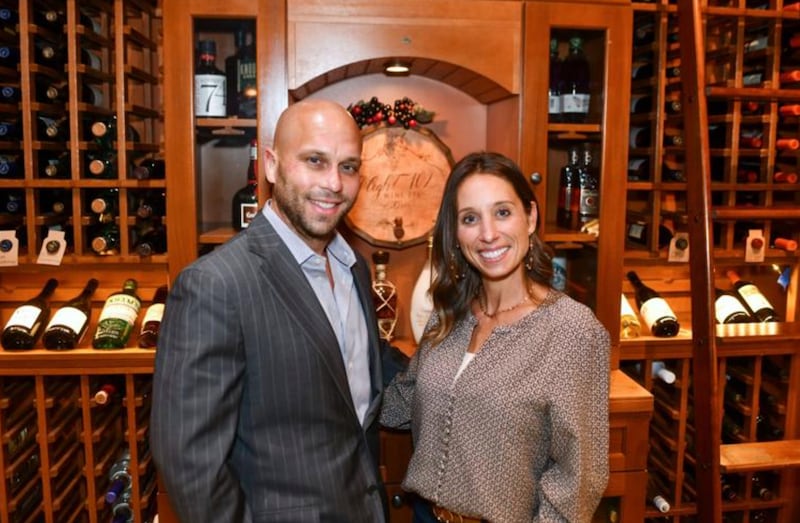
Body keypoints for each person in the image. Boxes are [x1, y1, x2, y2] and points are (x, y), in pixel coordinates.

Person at [150, 99, 393, 522]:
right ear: (272, 165)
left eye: (349, 167)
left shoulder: (354, 268)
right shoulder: (216, 285)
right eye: (315, 161)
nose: (334, 183)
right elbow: (192, 467)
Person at [381, 151, 610, 523]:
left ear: (530, 217)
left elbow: (579, 481)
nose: (488, 234)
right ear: (455, 233)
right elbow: (401, 402)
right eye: (470, 219)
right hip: (425, 516)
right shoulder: (449, 314)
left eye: (503, 212)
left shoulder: (571, 331)